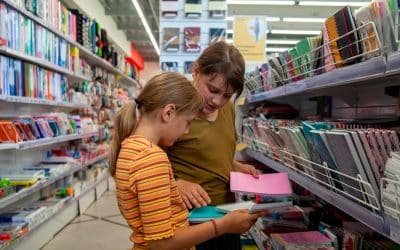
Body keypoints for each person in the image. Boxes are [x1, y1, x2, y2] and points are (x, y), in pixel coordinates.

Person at [109, 72, 263, 250]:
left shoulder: (129, 147)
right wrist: (224, 225)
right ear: (168, 113)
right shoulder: (151, 158)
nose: (187, 131)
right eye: (188, 122)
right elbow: (161, 243)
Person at [166, 42, 259, 250]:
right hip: (188, 222)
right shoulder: (173, 108)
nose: (217, 101)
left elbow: (211, 150)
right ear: (196, 71)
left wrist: (234, 166)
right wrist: (175, 184)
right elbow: (141, 162)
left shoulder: (228, 110)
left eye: (227, 95)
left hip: (227, 215)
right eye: (212, 89)